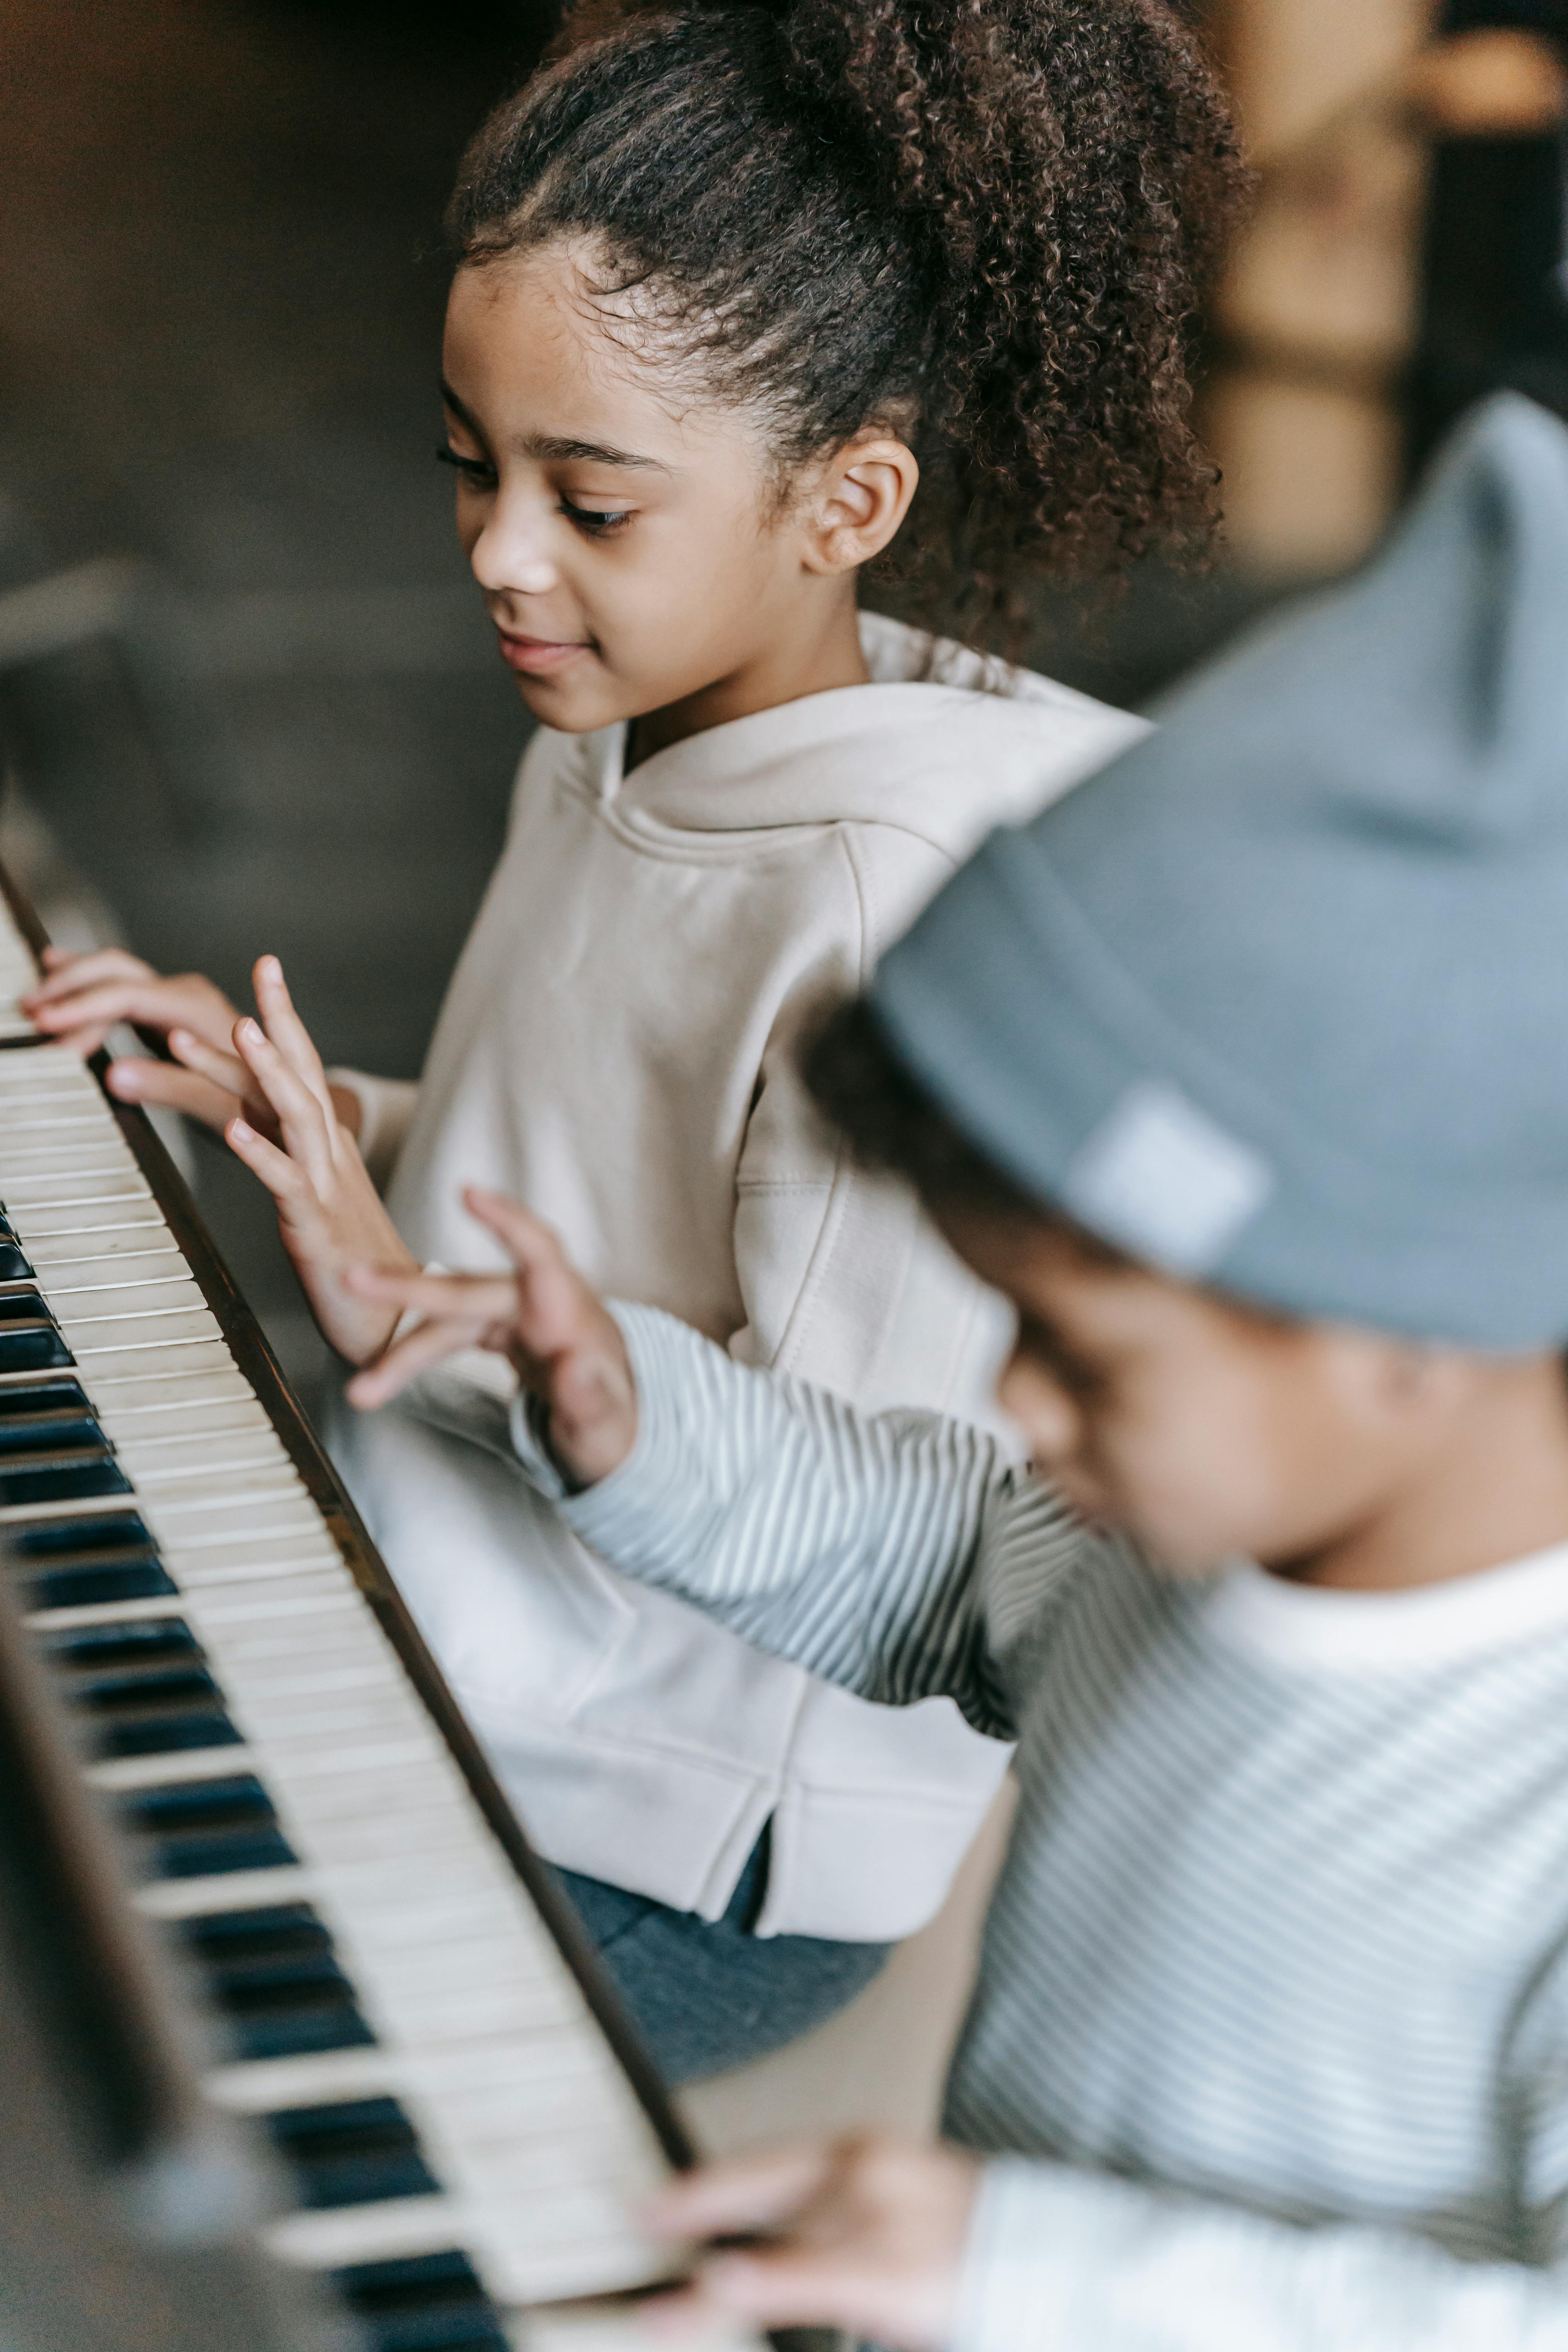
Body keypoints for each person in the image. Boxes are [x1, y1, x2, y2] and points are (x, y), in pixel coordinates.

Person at [19, 0, 1242, 2080]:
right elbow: (600, 1181)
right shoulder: (630, 717)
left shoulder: (890, 910)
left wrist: (449, 1318)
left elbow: (844, 1508)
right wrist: (309, 1106)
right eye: (471, 468)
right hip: (454, 1629)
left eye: (589, 503)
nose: (500, 556)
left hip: (664, 1847)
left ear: (846, 501)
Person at [325, 394, 1568, 2345]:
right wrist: (639, 1413)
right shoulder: (1162, 1548)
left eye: (1077, 1354)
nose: (1022, 1407)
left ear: (1406, 1326)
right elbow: (942, 1559)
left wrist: (1021, 2272)